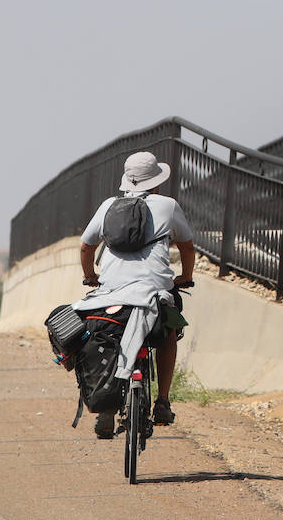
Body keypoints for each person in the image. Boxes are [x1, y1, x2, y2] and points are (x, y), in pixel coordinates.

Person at [78, 150, 195, 439]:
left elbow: (86, 247)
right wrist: (186, 277)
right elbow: (187, 246)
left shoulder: (108, 206)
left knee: (106, 336)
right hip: (154, 292)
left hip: (112, 293)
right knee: (168, 333)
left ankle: (107, 407)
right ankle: (163, 402)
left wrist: (91, 277)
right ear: (155, 182)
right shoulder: (168, 205)